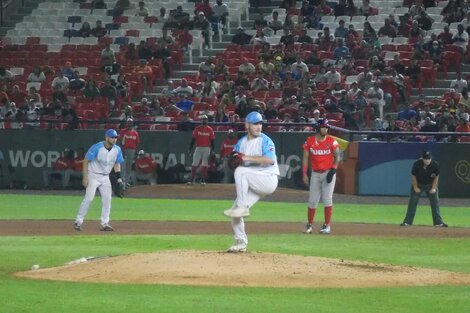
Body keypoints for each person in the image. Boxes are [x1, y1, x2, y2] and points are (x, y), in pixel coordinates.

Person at [223, 111, 280, 252]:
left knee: (241, 172)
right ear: (247, 125)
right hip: (253, 182)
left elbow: (270, 160)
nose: (258, 126)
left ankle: (243, 207)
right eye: (255, 123)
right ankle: (241, 243)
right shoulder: (241, 143)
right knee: (235, 212)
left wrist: (246, 158)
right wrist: (233, 159)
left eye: (260, 123)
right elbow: (234, 158)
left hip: (268, 179)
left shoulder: (265, 140)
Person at [73, 129, 124, 231]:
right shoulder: (97, 147)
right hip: (93, 175)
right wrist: (85, 177)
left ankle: (104, 223)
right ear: (106, 137)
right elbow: (86, 160)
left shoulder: (117, 149)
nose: (114, 139)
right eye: (112, 137)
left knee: (107, 200)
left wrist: (119, 179)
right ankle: (78, 221)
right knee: (89, 198)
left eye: (115, 138)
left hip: (105, 177)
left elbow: (117, 163)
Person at [302, 118, 340, 235]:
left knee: (327, 199)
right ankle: (309, 225)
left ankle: (327, 225)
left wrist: (333, 170)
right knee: (312, 200)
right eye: (323, 127)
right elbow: (305, 157)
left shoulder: (332, 141)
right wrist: (304, 173)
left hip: (327, 172)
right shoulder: (310, 141)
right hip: (315, 174)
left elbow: (337, 157)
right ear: (318, 128)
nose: (326, 129)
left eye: (327, 127)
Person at [400, 151, 448, 227]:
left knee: (435, 202)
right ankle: (407, 222)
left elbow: (436, 177)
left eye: (428, 159)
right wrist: (415, 187)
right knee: (413, 202)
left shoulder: (435, 165)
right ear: (422, 158)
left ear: (431, 158)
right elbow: (413, 176)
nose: (427, 160)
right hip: (419, 184)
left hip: (430, 184)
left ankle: (438, 222)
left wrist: (433, 188)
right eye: (425, 159)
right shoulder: (417, 164)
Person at [188, 115, 215, 185]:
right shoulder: (197, 129)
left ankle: (203, 180)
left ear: (207, 121)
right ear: (201, 120)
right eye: (203, 119)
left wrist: (212, 150)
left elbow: (212, 141)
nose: (204, 121)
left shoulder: (210, 129)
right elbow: (193, 139)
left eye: (205, 119)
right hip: (198, 147)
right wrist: (190, 148)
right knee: (194, 163)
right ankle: (192, 179)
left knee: (204, 164)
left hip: (207, 148)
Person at [118, 119, 140, 186]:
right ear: (126, 123)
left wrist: (136, 152)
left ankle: (126, 181)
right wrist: (122, 150)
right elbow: (120, 141)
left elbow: (137, 143)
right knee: (122, 166)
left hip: (132, 150)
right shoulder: (122, 131)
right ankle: (122, 182)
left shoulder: (135, 133)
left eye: (131, 123)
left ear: (132, 123)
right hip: (124, 149)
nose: (129, 124)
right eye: (128, 122)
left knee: (129, 166)